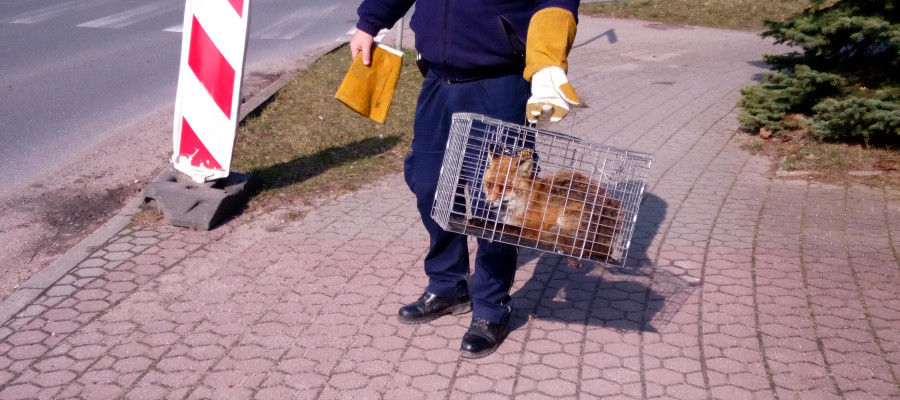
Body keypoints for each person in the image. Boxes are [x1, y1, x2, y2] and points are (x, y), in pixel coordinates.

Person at [350, 0, 581, 358]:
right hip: (438, 81)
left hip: (501, 82)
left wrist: (548, 64)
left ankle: (491, 308)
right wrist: (369, 23)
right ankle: (447, 284)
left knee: (498, 202)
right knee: (429, 183)